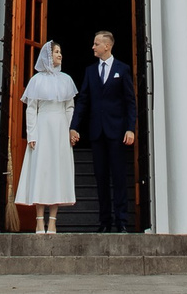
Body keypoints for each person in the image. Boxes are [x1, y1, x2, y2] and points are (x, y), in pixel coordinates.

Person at [70, 29, 137, 232]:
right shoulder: (90, 71)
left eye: (96, 43)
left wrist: (130, 128)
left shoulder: (122, 69)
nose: (93, 47)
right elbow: (83, 100)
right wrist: (74, 125)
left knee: (118, 177)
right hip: (97, 132)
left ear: (107, 46)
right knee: (100, 177)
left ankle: (122, 222)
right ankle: (104, 222)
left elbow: (130, 102)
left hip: (117, 132)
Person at [12, 40, 77, 231]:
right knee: (42, 171)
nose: (60, 55)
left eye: (61, 52)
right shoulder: (36, 80)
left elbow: (69, 107)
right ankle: (39, 219)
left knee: (57, 171)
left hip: (60, 128)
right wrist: (31, 133)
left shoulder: (66, 79)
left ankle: (53, 221)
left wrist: (69, 130)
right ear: (48, 56)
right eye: (56, 52)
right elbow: (31, 109)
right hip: (42, 126)